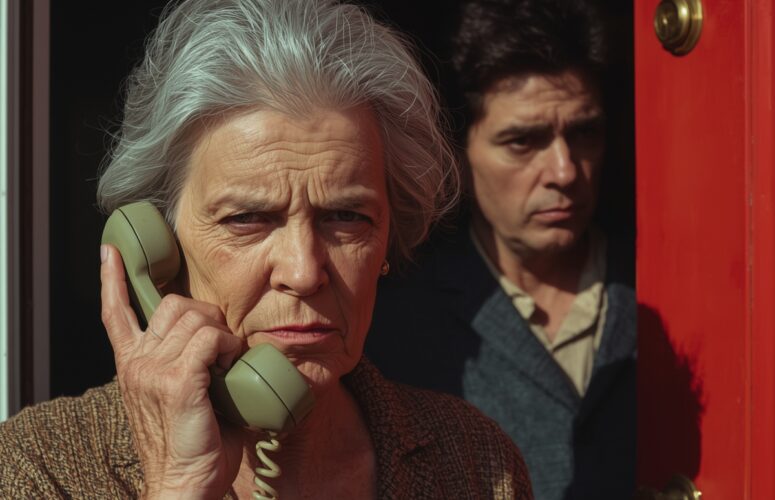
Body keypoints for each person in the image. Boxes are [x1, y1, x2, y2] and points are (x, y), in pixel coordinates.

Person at [0, 1, 534, 498]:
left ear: (388, 240)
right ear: (158, 248)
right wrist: (178, 484)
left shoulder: (477, 464)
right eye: (247, 219)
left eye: (346, 217)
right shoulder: (36, 465)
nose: (303, 272)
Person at [366, 0, 636, 498]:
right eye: (522, 142)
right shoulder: (397, 322)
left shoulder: (664, 285)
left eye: (584, 133)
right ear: (459, 155)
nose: (564, 171)